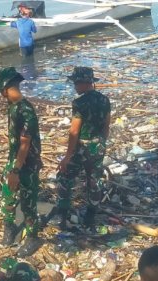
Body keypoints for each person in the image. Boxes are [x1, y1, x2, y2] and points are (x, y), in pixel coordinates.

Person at [0, 67, 43, 257]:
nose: (1, 96)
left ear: (6, 88)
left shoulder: (25, 110)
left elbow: (25, 143)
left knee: (28, 201)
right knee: (8, 196)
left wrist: (15, 170)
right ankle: (9, 226)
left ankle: (33, 236)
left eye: (1, 92)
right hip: (14, 161)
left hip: (26, 164)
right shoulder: (13, 107)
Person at [56, 67, 111, 230]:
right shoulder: (104, 100)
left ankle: (64, 216)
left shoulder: (79, 103)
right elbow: (106, 126)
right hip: (98, 145)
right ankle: (90, 216)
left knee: (65, 177)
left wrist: (67, 157)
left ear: (83, 83)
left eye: (75, 83)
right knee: (94, 181)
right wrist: (100, 143)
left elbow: (74, 131)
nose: (74, 86)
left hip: (82, 147)